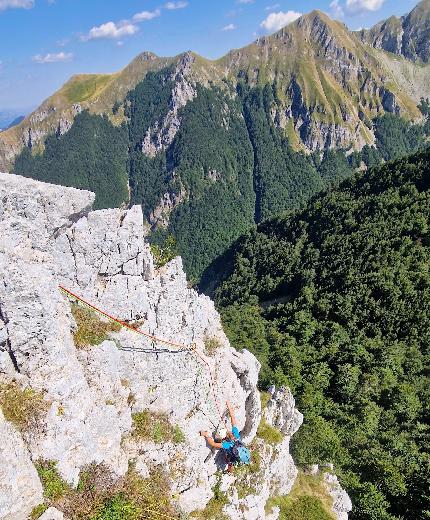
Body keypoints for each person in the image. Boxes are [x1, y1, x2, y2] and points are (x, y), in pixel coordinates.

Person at [200, 400, 249, 471]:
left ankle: (230, 467)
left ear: (224, 438)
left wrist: (205, 434)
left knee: (230, 459)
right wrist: (229, 405)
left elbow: (213, 443)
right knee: (231, 461)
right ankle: (230, 469)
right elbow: (233, 418)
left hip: (232, 452)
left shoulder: (227, 444)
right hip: (235, 454)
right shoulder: (236, 436)